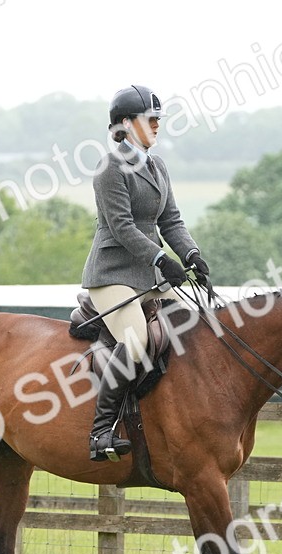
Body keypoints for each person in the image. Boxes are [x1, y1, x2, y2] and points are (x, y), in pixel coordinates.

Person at [80, 84, 209, 462]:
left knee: (194, 326)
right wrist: (160, 259)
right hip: (112, 274)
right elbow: (122, 227)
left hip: (150, 276)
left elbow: (171, 220)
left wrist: (190, 254)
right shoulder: (109, 168)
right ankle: (101, 432)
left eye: (157, 119)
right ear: (125, 124)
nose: (156, 125)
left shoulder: (157, 165)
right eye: (149, 119)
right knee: (136, 341)